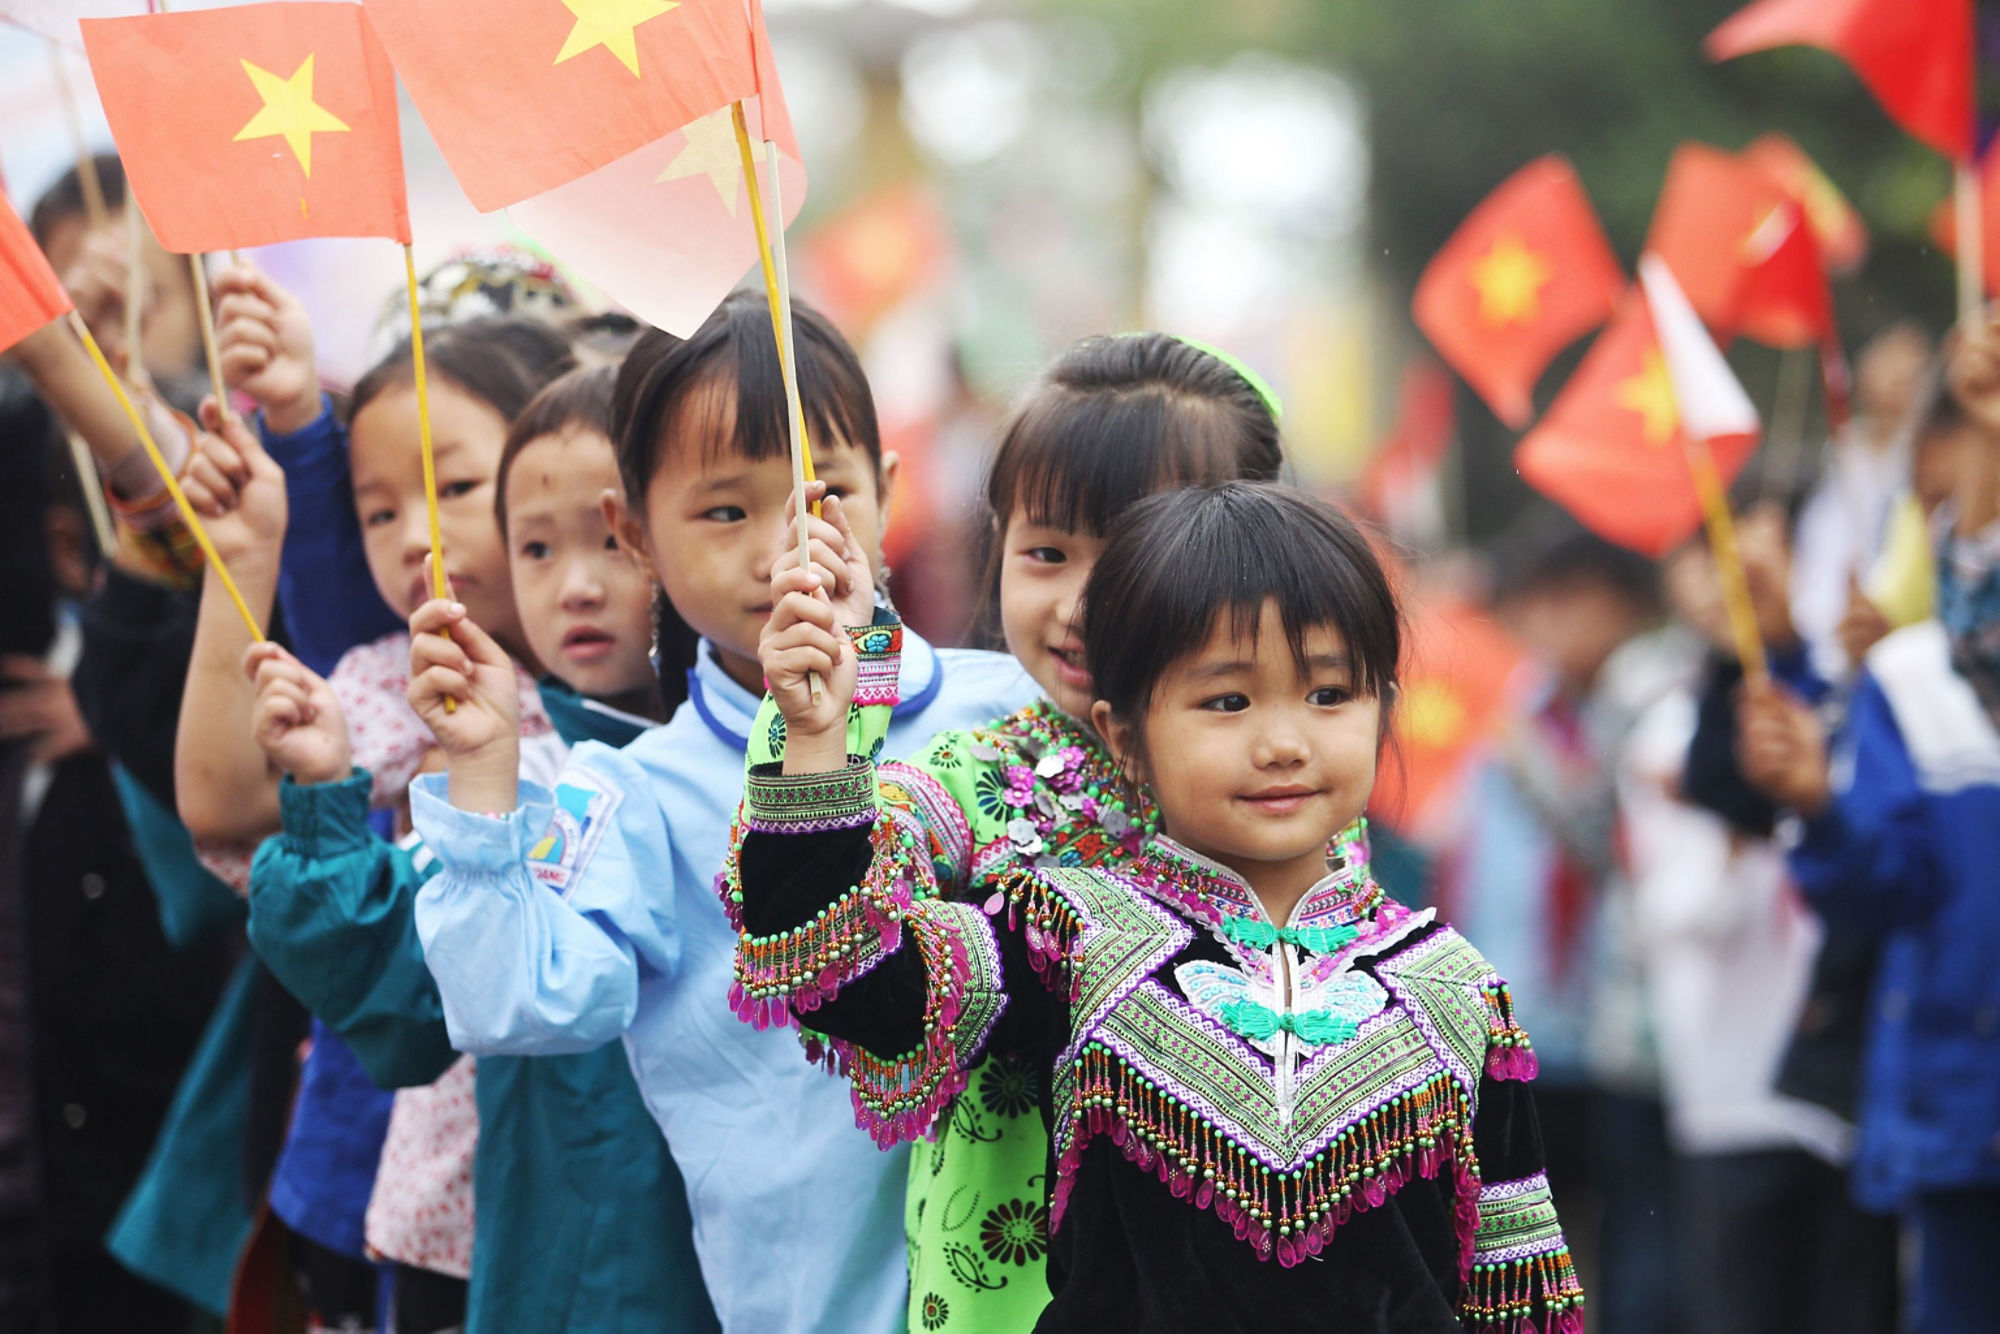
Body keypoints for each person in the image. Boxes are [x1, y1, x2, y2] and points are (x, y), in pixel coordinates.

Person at [732, 482, 1581, 1331]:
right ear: (1127, 737)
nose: (1284, 743)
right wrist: (816, 740)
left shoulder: (1456, 988)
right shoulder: (1066, 932)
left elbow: (1519, 1300)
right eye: (1227, 701)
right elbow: (852, 977)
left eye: (1328, 694)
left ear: (1384, 709)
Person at [403, 292, 1035, 1333]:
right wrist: (480, 774)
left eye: (825, 494)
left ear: (889, 488)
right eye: (725, 511)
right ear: (635, 535)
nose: (784, 548)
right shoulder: (632, 793)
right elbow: (517, 1001)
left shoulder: (1010, 709)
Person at [732, 332, 1284, 1333]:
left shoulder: (1291, 785)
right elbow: (829, 951)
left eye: (1134, 554)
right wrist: (820, 730)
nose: (1078, 604)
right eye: (1046, 553)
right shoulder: (968, 781)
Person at [229, 364, 717, 1330]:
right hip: (571, 1278)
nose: (577, 585)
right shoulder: (522, 774)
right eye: (535, 546)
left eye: (614, 541)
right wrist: (326, 794)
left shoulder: (802, 759)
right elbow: (392, 977)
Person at [174, 309, 575, 1330]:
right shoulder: (403, 684)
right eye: (379, 510)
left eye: (455, 486)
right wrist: (242, 562)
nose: (417, 539)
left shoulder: (642, 680)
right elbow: (222, 804)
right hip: (436, 1222)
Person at [1737, 318, 2000, 1333]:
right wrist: (1818, 804)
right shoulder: (1910, 678)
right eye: (1938, 502)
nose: (1963, 529)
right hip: (1960, 1117)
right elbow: (1876, 888)